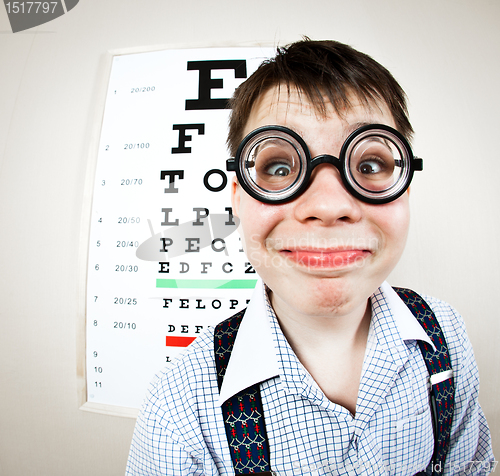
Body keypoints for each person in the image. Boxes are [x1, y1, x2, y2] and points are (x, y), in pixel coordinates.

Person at [126, 39, 494, 475]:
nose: (327, 203)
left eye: (370, 165)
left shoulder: (447, 336)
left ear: (405, 189)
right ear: (239, 199)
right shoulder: (178, 412)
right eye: (280, 168)